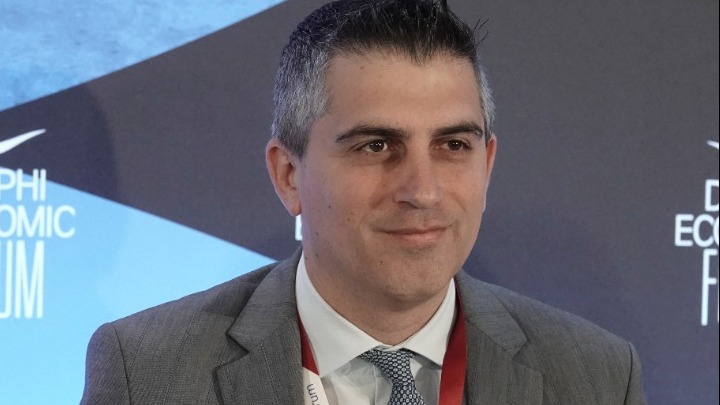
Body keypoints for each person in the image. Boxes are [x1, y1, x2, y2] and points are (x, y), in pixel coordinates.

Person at [81, 1, 647, 404]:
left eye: (453, 145)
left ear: (488, 163)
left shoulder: (595, 377)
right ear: (288, 175)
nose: (422, 191)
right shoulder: (149, 374)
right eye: (376, 146)